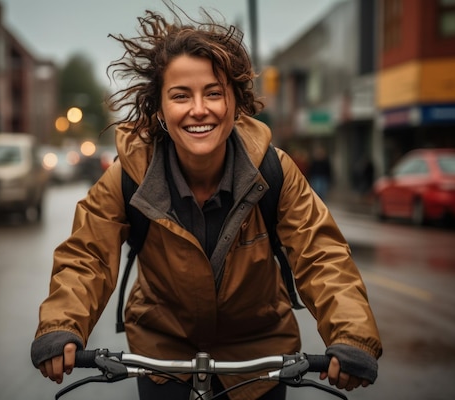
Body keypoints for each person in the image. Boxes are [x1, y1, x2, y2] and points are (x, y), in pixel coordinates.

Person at [30, 4, 382, 399]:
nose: (199, 109)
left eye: (213, 93)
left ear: (234, 101)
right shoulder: (130, 175)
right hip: (163, 356)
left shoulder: (273, 170)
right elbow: (87, 256)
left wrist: (351, 335)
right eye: (181, 95)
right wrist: (61, 326)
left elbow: (322, 255)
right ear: (160, 108)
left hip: (259, 356)